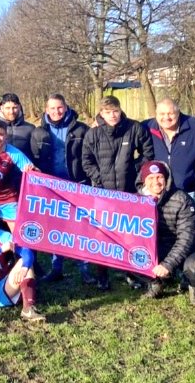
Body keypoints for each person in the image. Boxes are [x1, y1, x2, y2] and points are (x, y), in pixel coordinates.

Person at [81, 95, 154, 291]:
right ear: (101, 114)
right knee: (102, 235)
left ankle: (130, 272)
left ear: (120, 110)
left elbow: (147, 153)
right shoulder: (93, 134)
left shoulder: (134, 128)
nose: (112, 115)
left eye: (115, 111)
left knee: (128, 235)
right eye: (107, 112)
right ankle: (102, 276)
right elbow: (86, 162)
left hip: (128, 192)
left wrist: (133, 171)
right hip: (102, 194)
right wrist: (99, 179)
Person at [30, 93, 94, 284]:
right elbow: (34, 159)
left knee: (82, 228)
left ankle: (85, 268)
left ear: (66, 107)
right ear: (46, 110)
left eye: (60, 108)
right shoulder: (38, 132)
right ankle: (56, 267)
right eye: (52, 108)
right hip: (52, 187)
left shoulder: (82, 129)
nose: (56, 112)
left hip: (78, 185)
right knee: (56, 228)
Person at [137, 161, 195, 306]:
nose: (156, 182)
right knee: (132, 256)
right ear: (144, 181)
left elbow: (186, 237)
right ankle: (157, 282)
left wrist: (167, 264)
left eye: (159, 177)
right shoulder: (136, 201)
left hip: (188, 246)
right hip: (159, 246)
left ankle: (194, 286)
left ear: (166, 178)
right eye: (151, 178)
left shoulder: (182, 199)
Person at [143, 98, 195, 194]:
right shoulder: (147, 128)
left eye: (170, 113)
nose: (166, 117)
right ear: (156, 114)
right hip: (157, 194)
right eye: (162, 114)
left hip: (190, 193)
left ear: (178, 112)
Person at [0, 93, 35, 160]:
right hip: (0, 169)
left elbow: (35, 155)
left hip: (24, 169)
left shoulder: (30, 128)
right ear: (1, 108)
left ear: (19, 107)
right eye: (7, 108)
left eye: (14, 108)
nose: (11, 111)